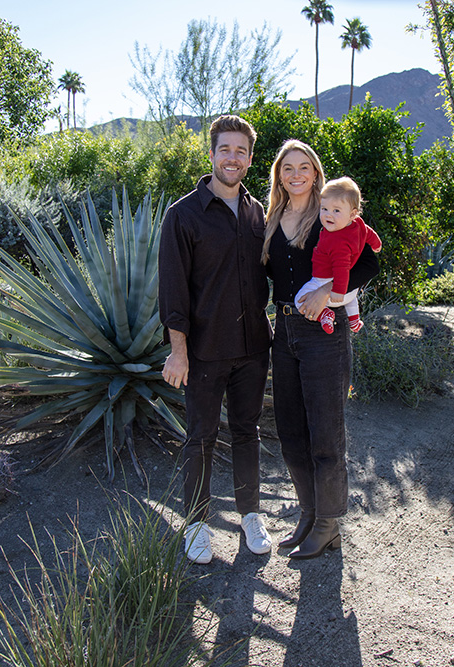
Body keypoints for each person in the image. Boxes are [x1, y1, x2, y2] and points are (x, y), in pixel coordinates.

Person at [158, 115, 273, 564]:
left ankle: (250, 515)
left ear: (249, 158)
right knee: (200, 437)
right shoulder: (183, 214)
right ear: (211, 153)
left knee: (247, 432)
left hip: (252, 348)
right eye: (225, 149)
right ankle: (198, 524)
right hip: (204, 352)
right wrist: (179, 352)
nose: (233, 158)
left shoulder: (258, 211)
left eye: (241, 151)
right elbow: (173, 290)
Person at [261, 139, 380, 559]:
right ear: (279, 174)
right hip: (284, 332)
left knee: (325, 433)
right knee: (291, 431)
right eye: (287, 167)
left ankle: (329, 525)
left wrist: (329, 290)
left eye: (304, 167)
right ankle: (309, 515)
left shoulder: (331, 215)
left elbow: (369, 263)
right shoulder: (271, 218)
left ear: (315, 173)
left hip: (324, 335)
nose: (296, 174)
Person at [294, 177, 382, 334]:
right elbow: (368, 233)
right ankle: (354, 320)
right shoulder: (358, 224)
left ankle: (324, 314)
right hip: (350, 292)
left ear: (352, 214)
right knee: (352, 300)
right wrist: (376, 244)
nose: (328, 215)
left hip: (328, 288)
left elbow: (341, 268)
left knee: (300, 299)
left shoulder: (336, 240)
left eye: (336, 211)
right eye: (324, 209)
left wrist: (335, 290)